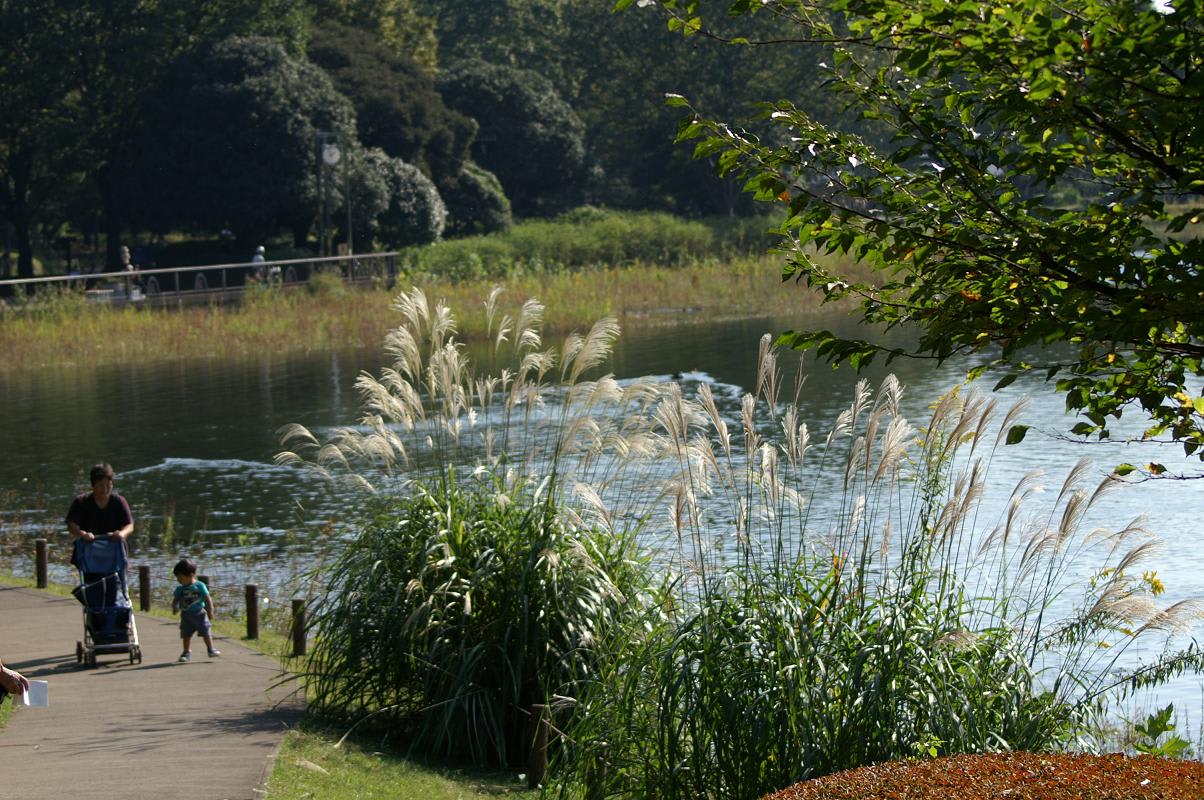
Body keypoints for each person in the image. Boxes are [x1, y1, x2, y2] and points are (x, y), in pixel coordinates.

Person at [171, 559, 220, 662]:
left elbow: (207, 598)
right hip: (186, 615)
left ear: (191, 575)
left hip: (200, 614)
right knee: (186, 635)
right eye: (177, 578)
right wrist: (174, 608)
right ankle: (186, 652)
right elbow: (175, 600)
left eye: (181, 578)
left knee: (206, 631)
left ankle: (211, 649)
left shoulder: (199, 585)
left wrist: (211, 610)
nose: (179, 580)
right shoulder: (180, 589)